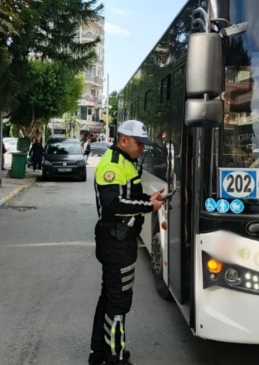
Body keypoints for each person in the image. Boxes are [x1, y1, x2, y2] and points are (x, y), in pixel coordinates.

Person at [88, 120, 166, 365]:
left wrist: (147, 198)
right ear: (123, 140)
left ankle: (99, 354)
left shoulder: (124, 162)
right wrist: (148, 206)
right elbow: (112, 204)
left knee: (109, 298)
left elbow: (126, 197)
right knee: (118, 301)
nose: (142, 148)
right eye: (138, 143)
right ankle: (116, 358)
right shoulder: (111, 165)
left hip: (120, 240)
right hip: (116, 240)